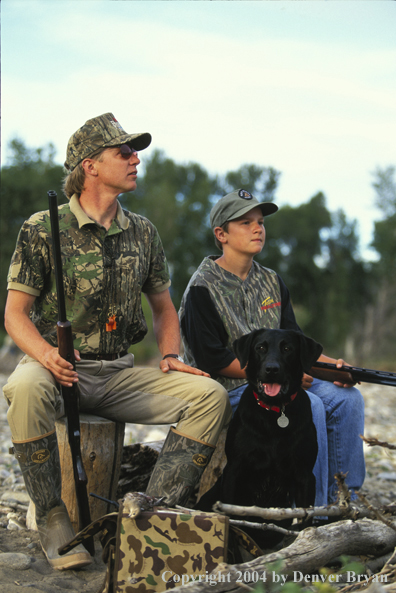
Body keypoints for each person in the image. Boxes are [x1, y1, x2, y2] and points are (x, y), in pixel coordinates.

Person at [3, 113, 231, 571]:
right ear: (90, 165)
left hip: (119, 373)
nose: (135, 159)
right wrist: (46, 354)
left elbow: (165, 309)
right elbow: (14, 314)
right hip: (55, 367)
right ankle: (51, 516)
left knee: (210, 395)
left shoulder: (143, 232)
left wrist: (170, 355)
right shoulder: (42, 227)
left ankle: (151, 516)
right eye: (123, 152)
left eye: (135, 151)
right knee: (23, 389)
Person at [179, 188, 365, 507]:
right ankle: (317, 518)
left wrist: (336, 367)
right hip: (229, 388)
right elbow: (214, 359)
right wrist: (279, 376)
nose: (258, 229)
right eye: (246, 222)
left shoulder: (271, 280)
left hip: (280, 378)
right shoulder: (201, 287)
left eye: (261, 222)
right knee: (313, 406)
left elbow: (294, 340)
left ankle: (345, 502)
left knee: (347, 399)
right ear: (220, 234)